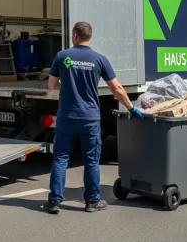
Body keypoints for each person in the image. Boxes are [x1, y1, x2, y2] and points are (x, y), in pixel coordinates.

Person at [44, 21, 142, 215]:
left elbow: (51, 86)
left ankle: (54, 201)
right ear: (90, 37)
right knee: (91, 161)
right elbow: (117, 89)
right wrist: (131, 108)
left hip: (66, 117)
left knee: (61, 159)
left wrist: (68, 81)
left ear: (74, 36)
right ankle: (92, 201)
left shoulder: (62, 56)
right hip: (89, 118)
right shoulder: (99, 59)